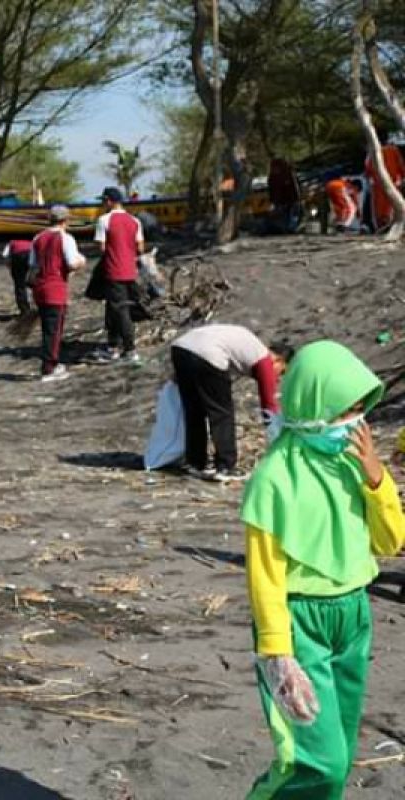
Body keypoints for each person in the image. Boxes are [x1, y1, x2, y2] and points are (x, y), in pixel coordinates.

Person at [242, 340, 405, 797]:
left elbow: (390, 542)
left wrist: (377, 479)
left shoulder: (354, 464)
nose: (352, 424)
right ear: (311, 406)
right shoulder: (274, 478)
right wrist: (279, 654)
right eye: (341, 413)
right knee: (319, 761)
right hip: (298, 624)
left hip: (354, 616)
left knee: (342, 750)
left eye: (359, 411)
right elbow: (264, 575)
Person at [170, 325, 291, 482]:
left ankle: (195, 463)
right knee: (222, 413)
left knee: (195, 409)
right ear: (279, 360)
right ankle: (226, 466)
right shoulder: (265, 359)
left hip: (181, 348)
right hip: (207, 353)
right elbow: (269, 405)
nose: (279, 378)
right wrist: (277, 437)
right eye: (282, 372)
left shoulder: (250, 347)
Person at [28, 205, 86, 382]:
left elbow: (32, 264)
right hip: (55, 287)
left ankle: (52, 362)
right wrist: (82, 261)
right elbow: (71, 263)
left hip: (40, 287)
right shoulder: (65, 238)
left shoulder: (38, 238)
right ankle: (49, 367)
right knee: (54, 329)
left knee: (48, 327)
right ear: (65, 220)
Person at [91, 187, 145, 364]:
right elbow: (140, 247)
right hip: (130, 271)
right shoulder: (134, 220)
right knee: (114, 308)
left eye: (103, 201)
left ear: (108, 201)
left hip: (114, 270)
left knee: (120, 310)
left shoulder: (103, 220)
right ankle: (113, 345)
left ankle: (130, 350)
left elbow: (101, 248)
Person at [364, 137, 405, 231]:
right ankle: (389, 222)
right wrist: (402, 176)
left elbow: (368, 167)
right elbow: (400, 164)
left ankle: (382, 224)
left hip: (378, 182)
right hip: (393, 182)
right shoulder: (393, 150)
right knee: (392, 204)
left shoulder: (373, 151)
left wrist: (369, 177)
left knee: (379, 205)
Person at [267, 157, 302, 233]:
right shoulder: (272, 177)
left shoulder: (288, 174)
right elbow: (272, 190)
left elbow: (295, 188)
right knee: (281, 215)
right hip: (281, 201)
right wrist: (273, 201)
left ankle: (290, 227)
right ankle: (284, 227)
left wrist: (297, 199)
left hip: (291, 200)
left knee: (291, 214)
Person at [1, 239, 33, 316]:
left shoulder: (12, 243)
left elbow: (5, 255)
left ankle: (24, 310)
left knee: (19, 285)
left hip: (17, 257)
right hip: (31, 255)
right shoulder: (32, 242)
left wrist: (10, 268)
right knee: (34, 283)